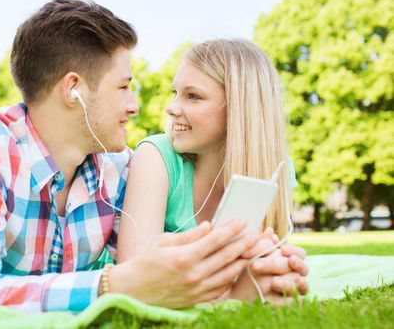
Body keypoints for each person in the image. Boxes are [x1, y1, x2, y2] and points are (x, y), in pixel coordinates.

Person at [0, 0, 307, 313]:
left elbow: (152, 274)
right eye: (124, 87)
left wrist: (238, 280)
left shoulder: (117, 167)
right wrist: (112, 285)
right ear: (73, 91)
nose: (135, 106)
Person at [117, 38, 309, 302]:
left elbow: (265, 256)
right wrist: (232, 295)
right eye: (176, 92)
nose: (171, 108)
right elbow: (132, 275)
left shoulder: (276, 167)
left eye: (192, 96)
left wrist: (279, 266)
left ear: (238, 109)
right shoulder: (155, 155)